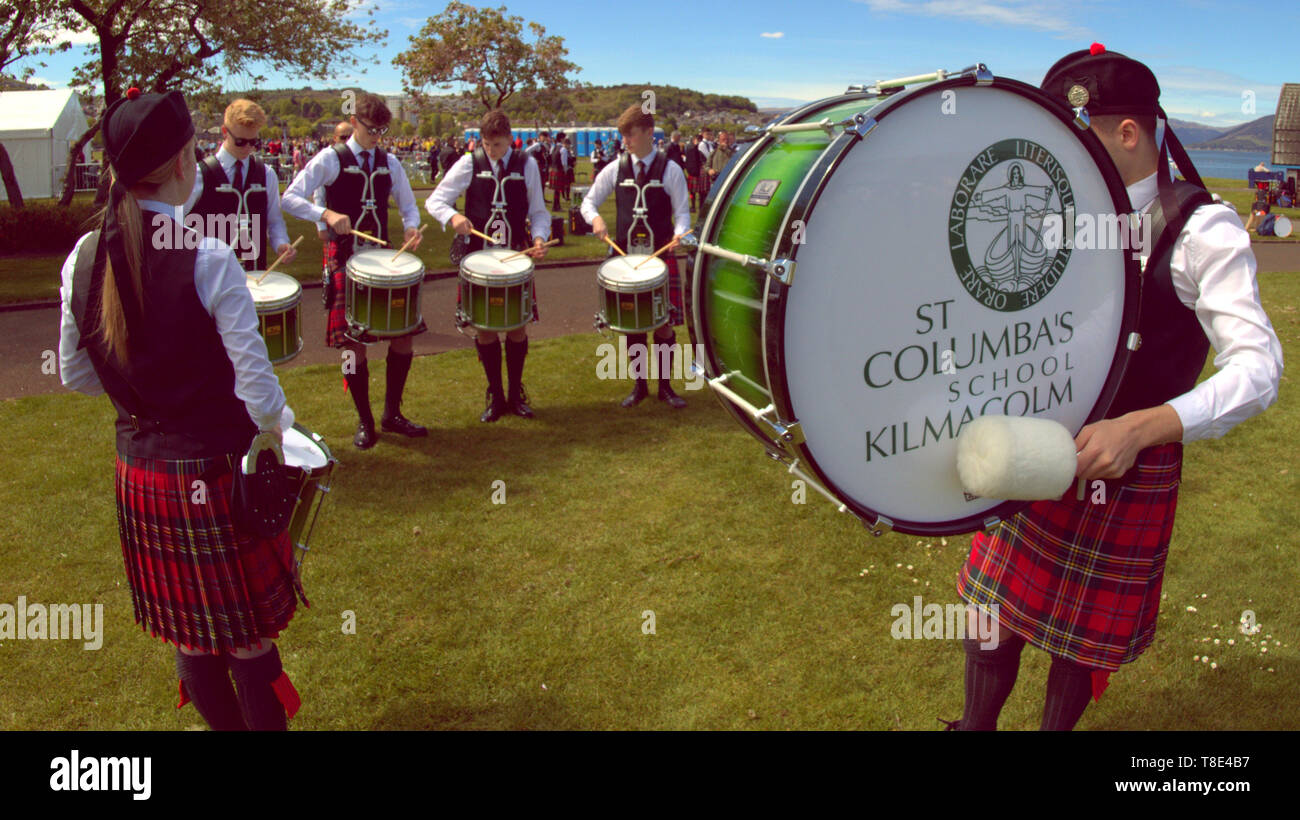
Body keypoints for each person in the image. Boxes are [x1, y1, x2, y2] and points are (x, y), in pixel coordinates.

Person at [949, 43, 1283, 731]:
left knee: (1080, 637)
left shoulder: (1204, 232)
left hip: (1127, 460)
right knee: (991, 608)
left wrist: (1142, 427)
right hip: (1038, 441)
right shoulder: (1061, 210)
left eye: (1069, 136)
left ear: (1127, 133)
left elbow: (1259, 368)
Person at [58, 88, 306, 731]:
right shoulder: (209, 256)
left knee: (193, 638)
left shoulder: (80, 258)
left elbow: (76, 374)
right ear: (180, 164)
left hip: (141, 470)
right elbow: (259, 396)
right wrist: (282, 428)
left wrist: (148, 404)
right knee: (247, 638)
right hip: (214, 472)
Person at [281, 92, 426, 450]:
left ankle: (392, 413)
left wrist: (411, 227)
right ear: (355, 123)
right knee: (351, 345)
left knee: (403, 334)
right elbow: (289, 197)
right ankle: (365, 419)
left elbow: (409, 205)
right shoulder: (331, 158)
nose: (377, 137)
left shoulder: (389, 162)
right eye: (371, 129)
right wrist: (325, 215)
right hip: (344, 258)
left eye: (383, 130)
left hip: (380, 259)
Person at [427, 109, 551, 421]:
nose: (492, 152)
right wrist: (453, 217)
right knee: (484, 329)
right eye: (486, 144)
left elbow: (538, 211)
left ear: (510, 138)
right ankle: (495, 396)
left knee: (517, 327)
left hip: (515, 261)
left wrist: (539, 238)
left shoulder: (527, 164)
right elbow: (435, 200)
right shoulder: (470, 161)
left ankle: (514, 394)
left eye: (497, 145)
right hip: (478, 261)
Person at [581, 104, 692, 409]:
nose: (625, 141)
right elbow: (588, 202)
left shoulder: (670, 169)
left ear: (647, 133)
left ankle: (666, 388)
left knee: (663, 324)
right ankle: (639, 386)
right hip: (625, 258)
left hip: (659, 258)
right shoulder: (615, 168)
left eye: (630, 134)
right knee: (634, 323)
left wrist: (679, 234)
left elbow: (682, 213)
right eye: (623, 135)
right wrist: (596, 220)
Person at [185, 99, 296, 274]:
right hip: (209, 278)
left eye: (254, 142)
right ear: (224, 132)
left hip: (255, 272)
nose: (247, 148)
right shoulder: (199, 175)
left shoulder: (267, 175)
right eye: (240, 141)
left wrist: (281, 242)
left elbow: (274, 220)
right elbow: (175, 223)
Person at [704, 130, 734, 198]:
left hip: (727, 181)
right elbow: (706, 166)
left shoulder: (733, 153)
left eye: (727, 139)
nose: (725, 141)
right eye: (723, 139)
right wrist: (709, 170)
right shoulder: (714, 152)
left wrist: (726, 150)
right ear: (719, 140)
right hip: (715, 181)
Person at [550, 132, 572, 211]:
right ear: (562, 139)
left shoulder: (554, 147)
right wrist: (565, 171)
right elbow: (564, 163)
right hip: (560, 170)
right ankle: (556, 206)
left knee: (556, 191)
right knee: (558, 190)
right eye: (564, 138)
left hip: (553, 169)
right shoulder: (563, 149)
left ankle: (555, 206)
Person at [683, 133, 704, 211]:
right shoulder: (692, 148)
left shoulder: (691, 147)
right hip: (694, 172)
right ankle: (694, 206)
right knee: (693, 192)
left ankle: (695, 206)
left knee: (698, 192)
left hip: (695, 172)